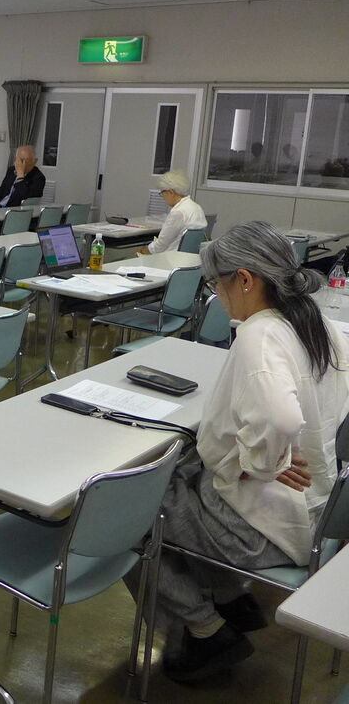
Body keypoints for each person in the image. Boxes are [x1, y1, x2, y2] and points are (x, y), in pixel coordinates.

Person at [134, 221, 349, 683]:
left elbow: (280, 418)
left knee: (131, 512)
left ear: (246, 279)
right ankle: (231, 598)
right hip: (320, 509)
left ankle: (208, 632)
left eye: (217, 283)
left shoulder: (259, 334)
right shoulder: (318, 323)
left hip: (264, 527)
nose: (217, 294)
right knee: (183, 479)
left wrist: (263, 463)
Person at [139, 169, 208, 255]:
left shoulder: (178, 212)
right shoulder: (196, 207)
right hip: (191, 259)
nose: (162, 196)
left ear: (170, 192)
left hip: (172, 259)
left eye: (162, 193)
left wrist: (141, 252)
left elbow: (160, 245)